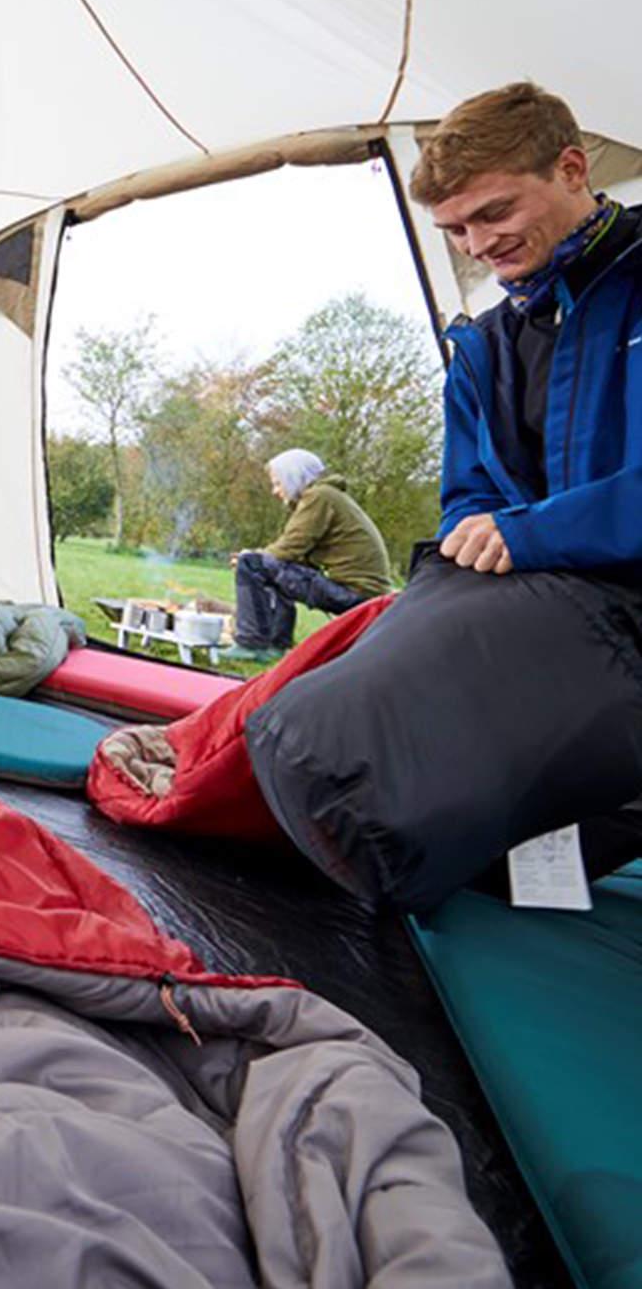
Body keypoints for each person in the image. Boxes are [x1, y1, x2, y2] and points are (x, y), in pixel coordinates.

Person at [243, 81, 642, 909]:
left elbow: (536, 520)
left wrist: (528, 535)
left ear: (572, 169)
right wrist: (476, 539)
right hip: (536, 603)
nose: (476, 245)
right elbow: (467, 497)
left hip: (614, 612)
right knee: (484, 858)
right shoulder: (485, 347)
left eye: (494, 213)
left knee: (343, 744)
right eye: (455, 230)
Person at [221, 450, 395, 661]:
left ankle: (251, 643)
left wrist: (249, 557)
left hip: (355, 595)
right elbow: (292, 557)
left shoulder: (318, 497)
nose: (274, 491)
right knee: (267, 565)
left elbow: (290, 547)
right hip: (366, 594)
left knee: (252, 563)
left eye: (278, 483)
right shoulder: (328, 496)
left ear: (294, 477)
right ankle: (276, 644)